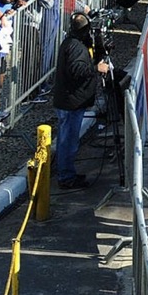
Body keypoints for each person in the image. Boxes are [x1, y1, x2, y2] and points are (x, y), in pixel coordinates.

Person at [52, 12, 108, 189]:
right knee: (68, 141)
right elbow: (76, 70)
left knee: (68, 140)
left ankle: (66, 173)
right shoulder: (75, 47)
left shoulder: (74, 43)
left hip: (72, 100)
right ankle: (66, 177)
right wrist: (95, 68)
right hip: (71, 103)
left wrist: (99, 43)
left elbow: (93, 57)